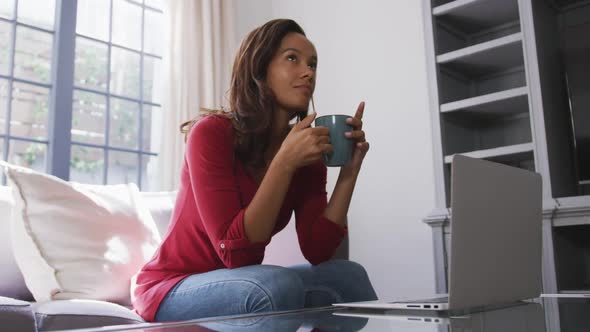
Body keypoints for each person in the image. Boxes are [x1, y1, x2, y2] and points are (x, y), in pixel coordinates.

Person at [132, 18, 377, 323]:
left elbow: (318, 250)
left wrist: (349, 173)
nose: (308, 72)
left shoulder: (305, 153)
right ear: (259, 69)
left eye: (313, 64)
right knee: (274, 287)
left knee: (348, 279)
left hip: (238, 284)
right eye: (292, 59)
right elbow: (236, 255)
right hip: (171, 287)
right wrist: (284, 163)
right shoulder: (211, 133)